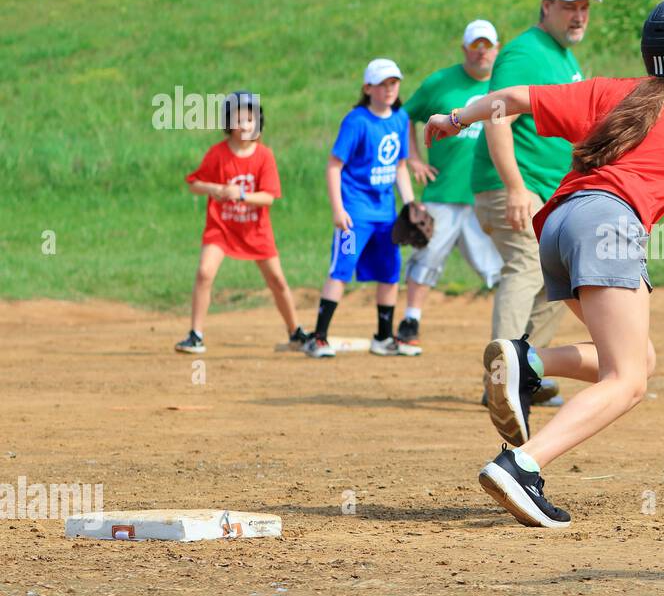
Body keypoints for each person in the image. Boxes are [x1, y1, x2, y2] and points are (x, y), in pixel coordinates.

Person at [425, 0, 664, 528]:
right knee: (628, 381)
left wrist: (453, 117)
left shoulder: (615, 91)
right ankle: (522, 465)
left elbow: (508, 98)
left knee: (637, 358)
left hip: (558, 222)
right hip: (607, 225)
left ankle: (525, 363)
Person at [470, 0, 598, 403]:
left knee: (553, 278)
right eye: (569, 8)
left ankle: (525, 373)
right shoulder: (526, 52)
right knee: (526, 267)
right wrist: (515, 187)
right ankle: (501, 378)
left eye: (584, 7)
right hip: (514, 188)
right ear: (547, 7)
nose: (579, 16)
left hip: (546, 191)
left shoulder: (561, 55)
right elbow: (497, 116)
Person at [395, 20, 505, 357]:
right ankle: (410, 321)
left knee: (503, 267)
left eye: (487, 45)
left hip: (486, 191)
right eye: (476, 45)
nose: (482, 52)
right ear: (465, 49)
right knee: (426, 255)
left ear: (497, 49)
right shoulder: (440, 82)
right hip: (442, 190)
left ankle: (515, 332)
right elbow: (404, 115)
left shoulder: (505, 84)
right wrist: (412, 157)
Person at [176, 91, 307, 354]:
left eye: (251, 119)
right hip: (222, 227)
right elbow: (194, 184)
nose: (246, 125)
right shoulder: (217, 154)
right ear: (228, 123)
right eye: (240, 119)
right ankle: (195, 334)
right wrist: (214, 188)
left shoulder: (264, 156)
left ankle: (295, 332)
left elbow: (268, 198)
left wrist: (242, 194)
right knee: (204, 273)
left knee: (277, 281)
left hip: (255, 229)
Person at [304, 59, 416, 358]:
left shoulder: (400, 118)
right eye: (382, 84)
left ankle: (383, 337)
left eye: (394, 83)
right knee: (341, 269)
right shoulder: (356, 120)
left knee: (390, 273)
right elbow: (333, 166)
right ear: (368, 88)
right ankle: (318, 337)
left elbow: (400, 166)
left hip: (385, 215)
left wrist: (410, 204)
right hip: (355, 214)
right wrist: (338, 209)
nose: (389, 89)